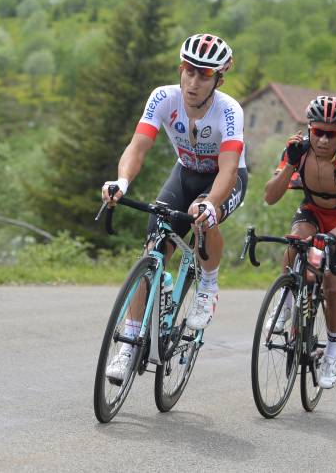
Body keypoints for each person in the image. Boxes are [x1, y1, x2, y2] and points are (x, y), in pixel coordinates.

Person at [101, 33, 247, 382]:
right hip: (183, 173)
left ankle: (208, 283)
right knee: (152, 249)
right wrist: (122, 182)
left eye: (204, 75)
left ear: (218, 80)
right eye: (189, 71)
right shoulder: (163, 98)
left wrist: (212, 204)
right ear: (181, 69)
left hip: (224, 178)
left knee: (201, 215)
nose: (193, 81)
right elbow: (138, 147)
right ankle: (129, 343)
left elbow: (228, 169)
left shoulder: (229, 111)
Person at [263, 96, 336, 389]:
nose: (323, 139)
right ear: (309, 128)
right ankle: (286, 300)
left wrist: (334, 237)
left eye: (331, 134)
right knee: (296, 240)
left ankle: (332, 352)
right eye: (318, 132)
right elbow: (270, 197)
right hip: (313, 211)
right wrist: (289, 165)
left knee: (334, 286)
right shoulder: (298, 149)